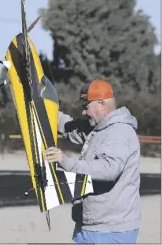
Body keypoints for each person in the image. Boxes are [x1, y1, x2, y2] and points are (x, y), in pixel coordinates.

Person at [44, 79, 141, 244]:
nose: (83, 112)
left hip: (110, 232)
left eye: (86, 107)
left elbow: (108, 169)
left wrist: (66, 162)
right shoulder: (97, 127)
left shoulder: (119, 131)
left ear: (102, 104)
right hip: (92, 226)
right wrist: (44, 110)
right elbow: (69, 127)